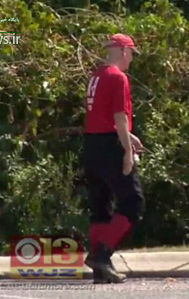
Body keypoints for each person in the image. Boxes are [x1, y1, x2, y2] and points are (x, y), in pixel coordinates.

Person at [82, 33, 145, 284]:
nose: (131, 59)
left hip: (92, 144)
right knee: (133, 202)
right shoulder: (118, 78)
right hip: (110, 145)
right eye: (131, 53)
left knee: (101, 205)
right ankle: (101, 254)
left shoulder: (96, 76)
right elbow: (119, 117)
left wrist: (130, 137)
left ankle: (101, 270)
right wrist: (128, 152)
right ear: (122, 51)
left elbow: (101, 116)